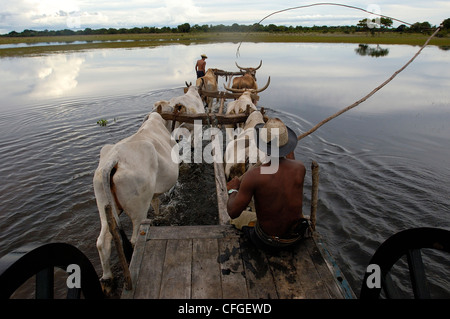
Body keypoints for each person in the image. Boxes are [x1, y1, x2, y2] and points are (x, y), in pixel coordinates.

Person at [226, 118, 309, 251]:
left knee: (235, 220)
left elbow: (232, 212)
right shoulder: (300, 168)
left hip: (268, 242)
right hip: (296, 238)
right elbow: (287, 168)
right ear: (287, 146)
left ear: (262, 145)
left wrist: (233, 190)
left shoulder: (254, 175)